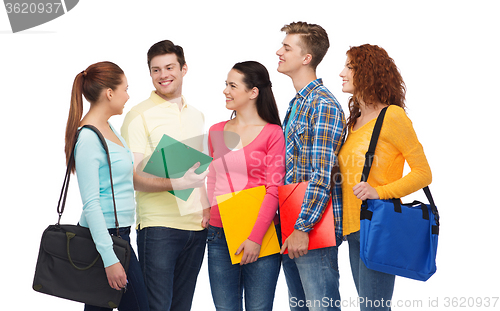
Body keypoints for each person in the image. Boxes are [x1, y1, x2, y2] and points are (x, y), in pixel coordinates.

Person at [338, 44, 432, 310]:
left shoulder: (392, 116)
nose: (341, 73)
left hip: (376, 227)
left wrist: (379, 191)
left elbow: (424, 173)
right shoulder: (354, 121)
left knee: (373, 308)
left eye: (349, 67)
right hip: (352, 228)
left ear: (367, 72)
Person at [120, 40, 209, 311]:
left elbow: (197, 169)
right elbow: (133, 176)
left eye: (169, 67)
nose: (163, 75)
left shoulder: (197, 115)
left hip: (197, 228)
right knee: (156, 307)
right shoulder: (138, 115)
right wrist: (175, 183)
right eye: (156, 70)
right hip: (159, 228)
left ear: (184, 69)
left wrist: (205, 205)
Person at [65, 61, 149, 311]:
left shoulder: (110, 128)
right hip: (105, 238)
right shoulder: (89, 137)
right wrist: (109, 259)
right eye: (125, 88)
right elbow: (91, 204)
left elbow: (124, 178)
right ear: (109, 93)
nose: (128, 95)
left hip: (120, 234)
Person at [276, 22, 346, 311]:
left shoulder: (322, 104)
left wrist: (303, 226)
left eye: (287, 47)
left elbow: (322, 172)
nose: (278, 51)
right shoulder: (296, 103)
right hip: (291, 225)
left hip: (312, 228)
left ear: (307, 58)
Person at [206, 61, 285, 311]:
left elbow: (274, 189)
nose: (225, 91)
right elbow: (212, 175)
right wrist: (207, 210)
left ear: (253, 92)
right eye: (225, 85)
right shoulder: (216, 130)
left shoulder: (273, 133)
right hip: (219, 234)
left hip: (260, 236)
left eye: (232, 85)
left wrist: (255, 238)